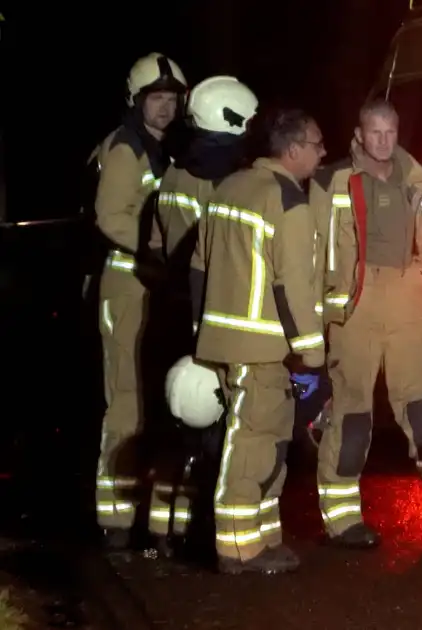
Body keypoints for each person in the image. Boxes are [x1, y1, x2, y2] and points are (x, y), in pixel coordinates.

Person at [308, 99, 422, 550]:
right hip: (353, 305)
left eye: (389, 132)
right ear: (359, 134)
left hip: (408, 298)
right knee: (351, 414)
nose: (382, 141)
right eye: (374, 132)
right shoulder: (329, 180)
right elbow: (313, 244)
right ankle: (342, 521)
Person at [190, 108, 326, 574]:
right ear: (292, 150)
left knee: (267, 442)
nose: (321, 153)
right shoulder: (288, 200)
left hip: (224, 339)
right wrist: (311, 352)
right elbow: (294, 285)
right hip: (265, 347)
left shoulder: (229, 187)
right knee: (254, 443)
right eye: (316, 144)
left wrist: (199, 331)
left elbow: (198, 267)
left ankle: (263, 537)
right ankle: (238, 546)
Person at [146, 76, 259, 556]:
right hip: (205, 314)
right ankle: (197, 533)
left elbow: (154, 246)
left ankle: (158, 534)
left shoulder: (174, 174)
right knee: (209, 425)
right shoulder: (220, 182)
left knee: (174, 421)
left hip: (170, 310)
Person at [90, 52, 187, 551]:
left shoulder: (163, 149)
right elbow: (111, 216)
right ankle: (116, 516)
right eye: (157, 98)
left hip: (157, 286)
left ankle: (149, 511)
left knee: (156, 404)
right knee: (125, 400)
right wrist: (157, 247)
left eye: (172, 99)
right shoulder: (126, 148)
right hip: (128, 285)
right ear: (137, 100)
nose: (166, 108)